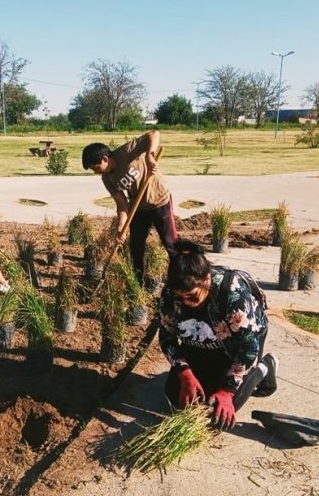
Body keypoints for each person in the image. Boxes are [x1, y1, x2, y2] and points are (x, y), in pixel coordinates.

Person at [158, 239, 278, 429]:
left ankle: (265, 367)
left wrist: (226, 391)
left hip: (236, 348)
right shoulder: (169, 296)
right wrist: (185, 375)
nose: (186, 302)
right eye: (180, 297)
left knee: (220, 412)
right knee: (176, 398)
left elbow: (248, 348)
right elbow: (167, 339)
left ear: (206, 280)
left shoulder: (232, 294)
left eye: (192, 296)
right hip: (199, 344)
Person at [82, 130, 177, 283]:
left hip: (160, 200)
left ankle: (181, 281)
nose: (96, 173)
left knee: (171, 244)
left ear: (105, 159)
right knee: (136, 249)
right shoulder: (107, 179)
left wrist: (149, 155)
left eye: (96, 168)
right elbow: (121, 204)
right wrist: (121, 228)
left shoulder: (126, 152)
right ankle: (138, 284)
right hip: (138, 208)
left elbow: (154, 134)